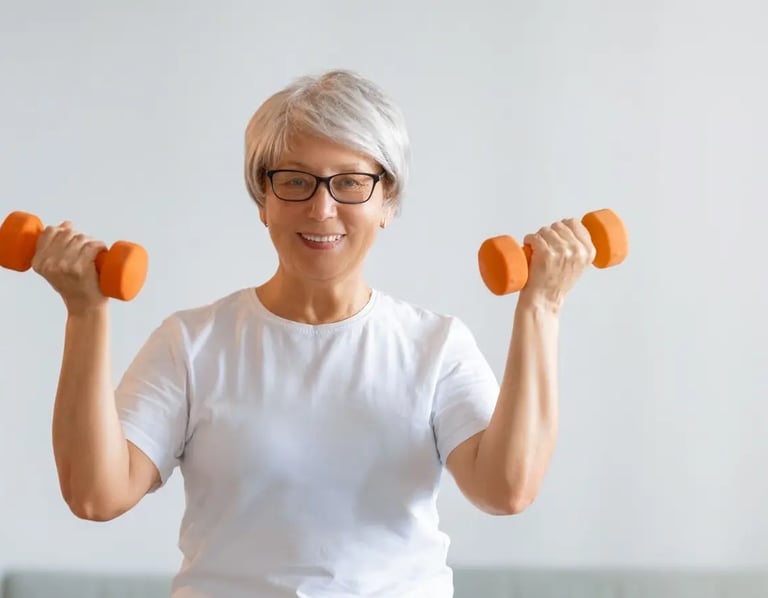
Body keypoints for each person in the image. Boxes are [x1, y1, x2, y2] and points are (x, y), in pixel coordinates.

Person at [33, 70, 596, 597]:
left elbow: (506, 489)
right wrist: (86, 313)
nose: (322, 209)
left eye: (351, 183)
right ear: (264, 200)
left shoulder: (437, 346)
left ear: (388, 203)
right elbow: (95, 494)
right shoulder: (191, 342)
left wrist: (542, 306)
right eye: (295, 181)